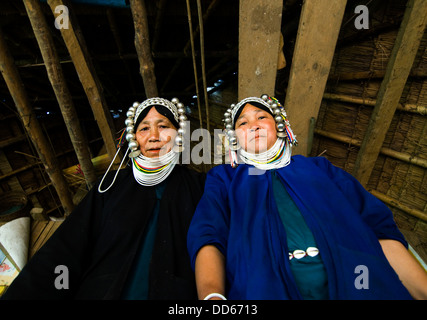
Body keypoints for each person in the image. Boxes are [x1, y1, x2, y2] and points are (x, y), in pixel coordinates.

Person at [187, 94, 427, 300]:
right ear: (233, 139)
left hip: (359, 283)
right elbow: (209, 235)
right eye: (242, 123)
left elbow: (378, 228)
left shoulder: (320, 168)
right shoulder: (224, 178)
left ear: (280, 126)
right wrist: (213, 296)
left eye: (262, 117)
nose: (253, 126)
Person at [3, 97, 205, 300]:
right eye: (144, 128)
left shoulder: (200, 187)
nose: (153, 136)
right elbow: (66, 249)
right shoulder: (110, 185)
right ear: (133, 137)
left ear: (179, 134)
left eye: (163, 126)